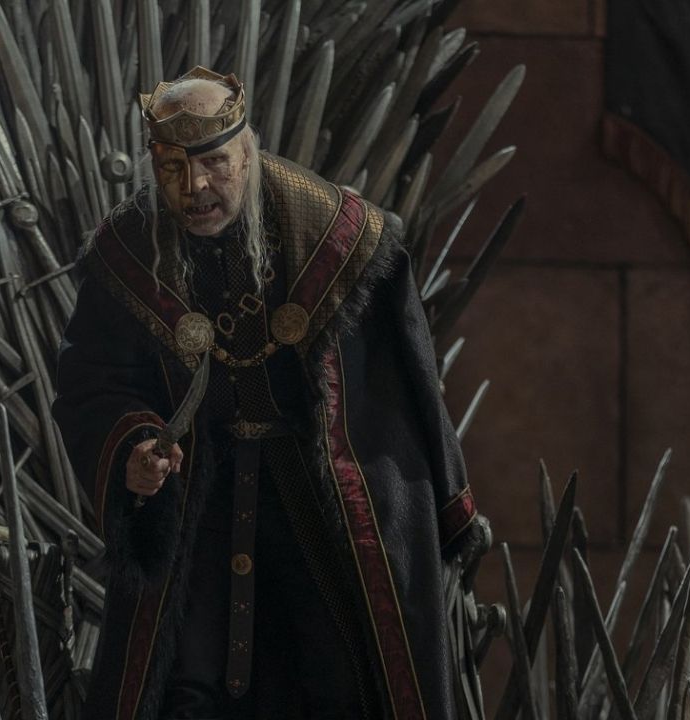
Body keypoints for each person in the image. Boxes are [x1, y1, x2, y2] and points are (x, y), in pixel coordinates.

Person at [52, 66, 479, 720]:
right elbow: (94, 380)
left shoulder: (340, 237)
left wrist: (447, 507)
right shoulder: (128, 251)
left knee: (339, 682)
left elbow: (405, 389)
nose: (195, 187)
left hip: (319, 503)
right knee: (181, 687)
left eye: (213, 163)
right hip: (197, 503)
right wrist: (133, 445)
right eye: (172, 168)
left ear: (247, 152)